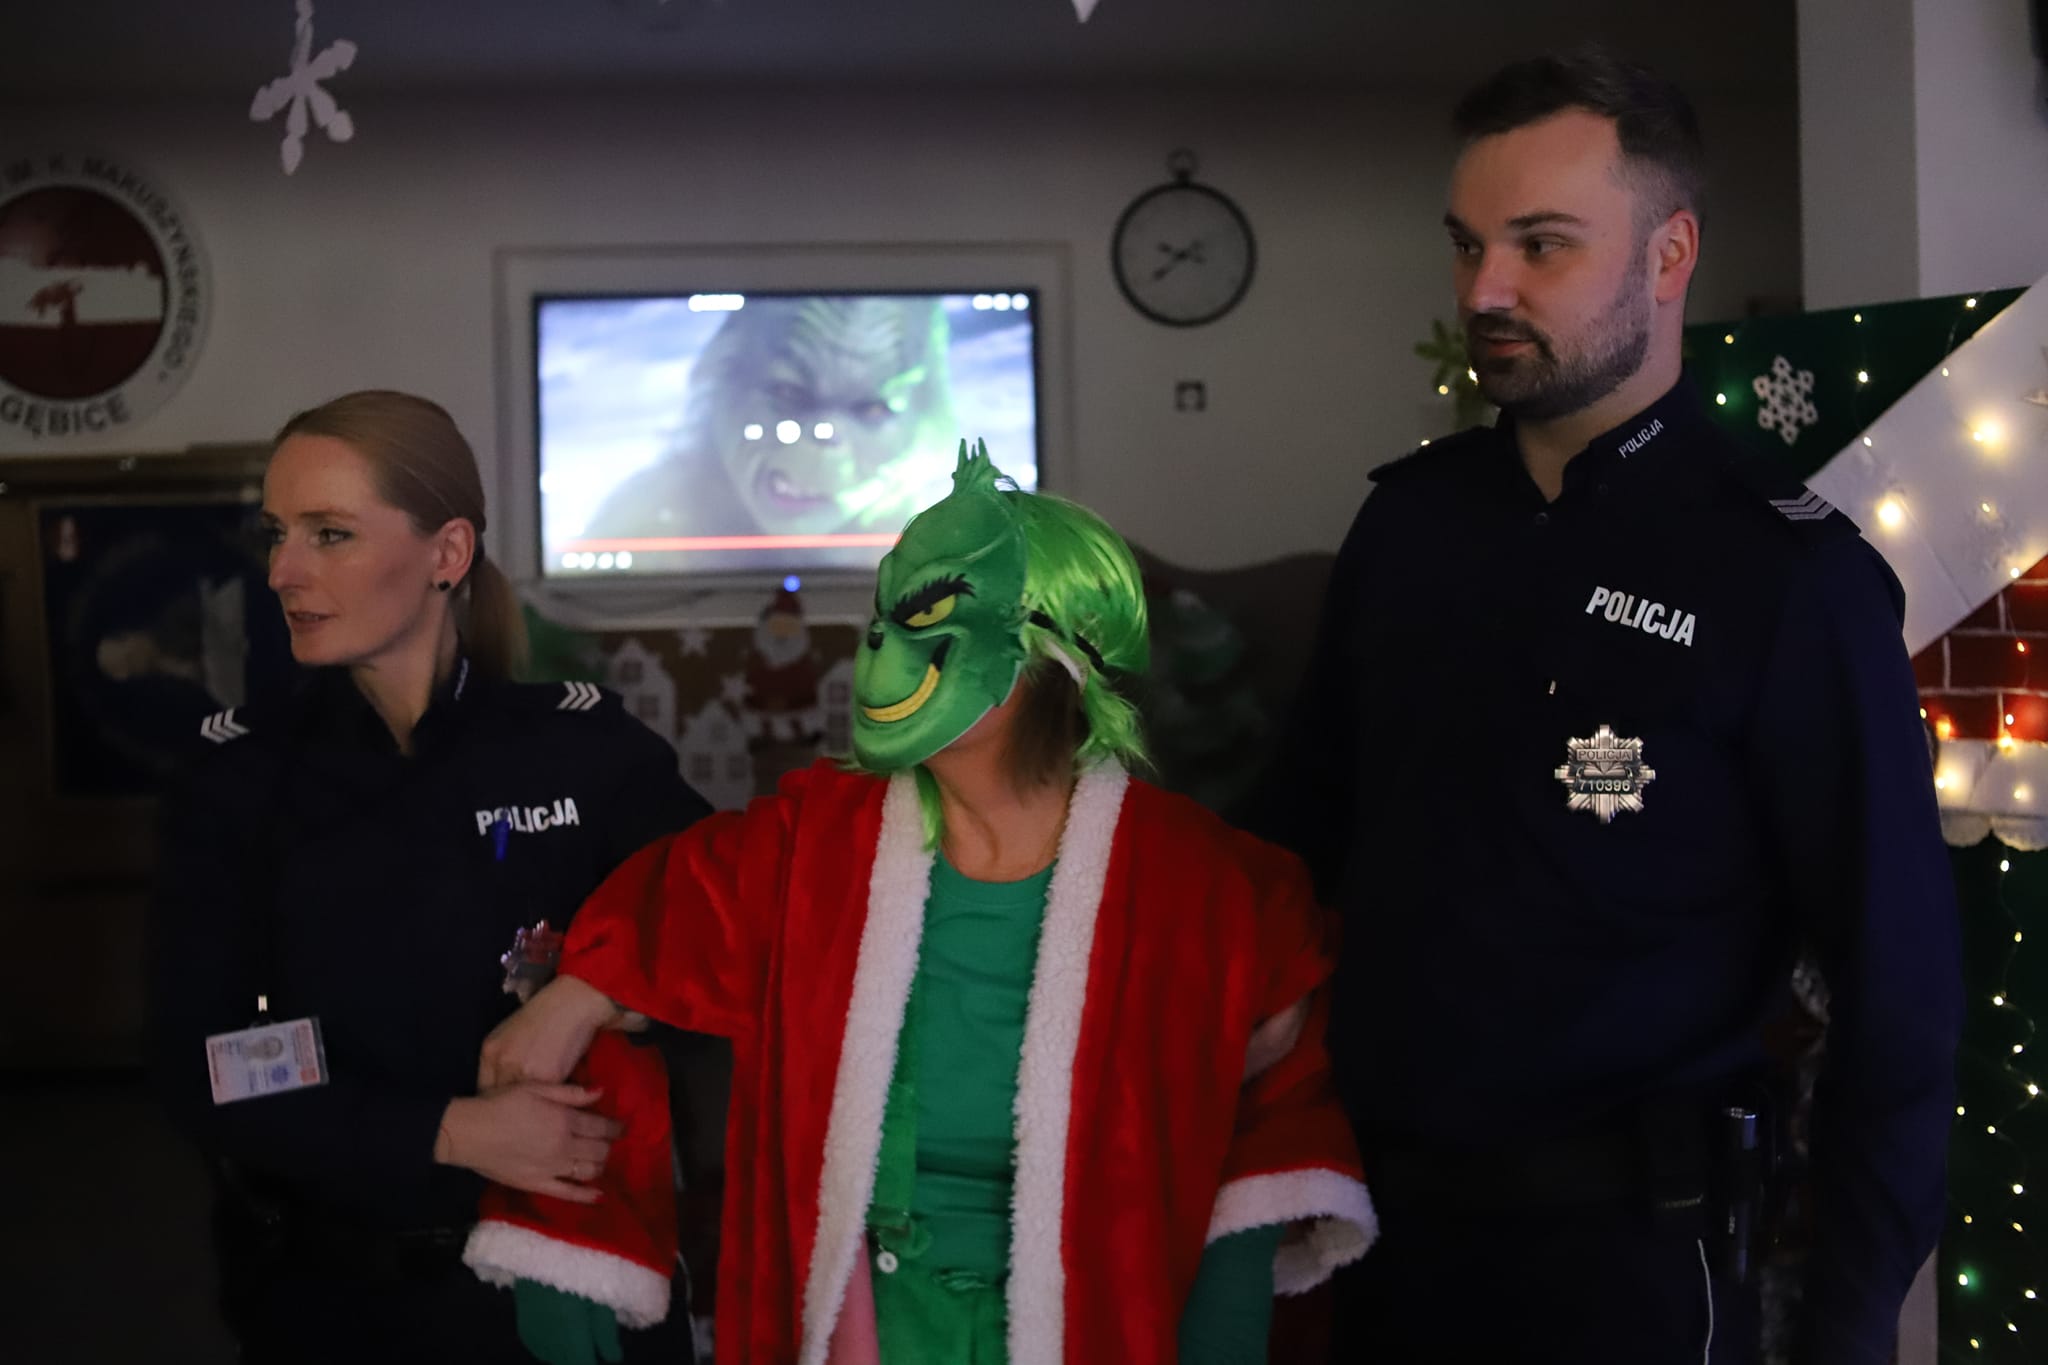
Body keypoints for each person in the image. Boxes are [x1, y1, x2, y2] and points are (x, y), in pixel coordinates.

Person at [1247, 51, 1962, 1365]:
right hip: (1379, 1243)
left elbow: (1897, 987)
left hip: (1634, 1261)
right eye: (1467, 245)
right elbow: (1288, 852)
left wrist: (1851, 1327)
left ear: (1669, 253)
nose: (1484, 289)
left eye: (1541, 245)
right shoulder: (1408, 527)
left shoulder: (1783, 576)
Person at [471, 442, 1377, 1364]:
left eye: (926, 618)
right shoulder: (813, 843)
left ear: (1050, 653)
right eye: (880, 616)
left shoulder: (1208, 888)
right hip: (864, 1326)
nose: (877, 645)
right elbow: (673, 908)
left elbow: (1271, 1130)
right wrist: (572, 995)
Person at [148, 390, 712, 1365]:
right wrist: (449, 1132)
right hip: (338, 1300)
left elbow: (727, 913)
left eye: (329, 534)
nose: (283, 571)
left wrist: (586, 993)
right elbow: (204, 1064)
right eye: (277, 533)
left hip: (576, 1289)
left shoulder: (580, 752)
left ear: (447, 553)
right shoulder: (239, 781)